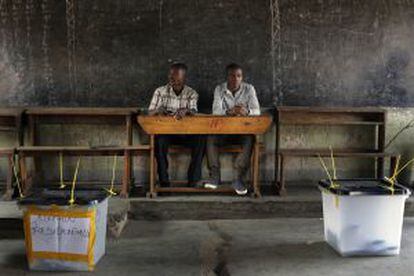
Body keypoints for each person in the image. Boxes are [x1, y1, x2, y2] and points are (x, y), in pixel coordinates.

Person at [203, 63, 260, 195]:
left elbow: (257, 111)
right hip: (223, 131)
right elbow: (215, 111)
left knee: (250, 138)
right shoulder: (219, 89)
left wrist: (246, 111)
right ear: (227, 77)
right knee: (210, 137)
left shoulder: (249, 89)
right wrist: (230, 111)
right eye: (232, 76)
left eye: (239, 76)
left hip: (241, 132)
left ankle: (238, 179)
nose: (235, 79)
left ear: (242, 77)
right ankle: (215, 176)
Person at [148, 63, 205, 187]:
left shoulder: (191, 93)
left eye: (178, 80)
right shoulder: (160, 91)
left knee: (201, 139)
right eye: (172, 79)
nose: (174, 82)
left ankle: (193, 179)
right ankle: (164, 181)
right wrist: (158, 111)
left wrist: (187, 111)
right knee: (159, 142)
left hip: (187, 133)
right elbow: (150, 113)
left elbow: (194, 111)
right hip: (167, 133)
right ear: (169, 77)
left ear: (185, 79)